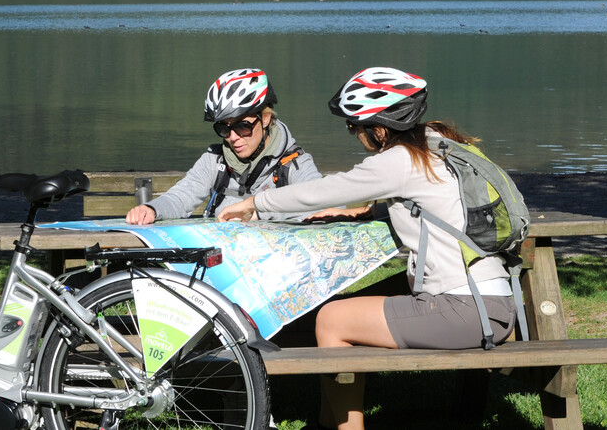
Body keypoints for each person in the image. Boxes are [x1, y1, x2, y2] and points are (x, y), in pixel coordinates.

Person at [217, 66, 517, 430]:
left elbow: (325, 190)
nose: (354, 134)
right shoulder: (437, 142)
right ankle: (326, 424)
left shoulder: (399, 159)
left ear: (379, 129)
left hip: (465, 311)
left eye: (354, 127)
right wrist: (373, 211)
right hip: (491, 300)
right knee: (341, 308)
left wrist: (255, 203)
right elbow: (435, 202)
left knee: (332, 319)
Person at [125, 68, 321, 224]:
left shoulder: (295, 164)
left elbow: (322, 205)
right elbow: (181, 197)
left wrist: (258, 214)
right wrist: (152, 209)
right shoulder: (214, 160)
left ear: (266, 119)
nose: (233, 138)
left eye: (243, 126)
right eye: (224, 128)